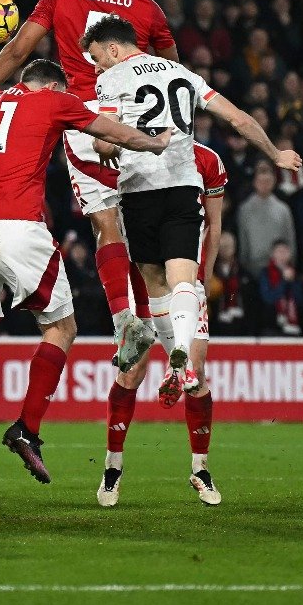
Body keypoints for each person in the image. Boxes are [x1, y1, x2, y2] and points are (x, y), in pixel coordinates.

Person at [0, 59, 169, 502]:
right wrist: (154, 143)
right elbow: (112, 131)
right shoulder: (51, 99)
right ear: (51, 84)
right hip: (18, 227)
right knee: (61, 327)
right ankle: (26, 428)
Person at [0, 0, 178, 366]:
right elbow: (172, 69)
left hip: (84, 117)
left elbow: (17, 51)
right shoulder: (148, 9)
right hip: (136, 117)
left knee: (105, 224)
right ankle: (166, 329)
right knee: (140, 223)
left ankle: (125, 324)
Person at [84, 14, 300, 389]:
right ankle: (184, 351)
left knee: (155, 283)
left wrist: (104, 145)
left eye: (98, 57)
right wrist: (275, 153)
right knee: (184, 279)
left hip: (140, 190)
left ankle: (175, 357)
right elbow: (238, 119)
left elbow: (103, 141)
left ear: (113, 48)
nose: (98, 66)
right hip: (184, 188)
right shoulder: (184, 74)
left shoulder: (111, 79)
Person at [96, 140, 229, 508]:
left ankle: (200, 470)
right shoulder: (126, 150)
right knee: (131, 375)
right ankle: (112, 468)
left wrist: (206, 278)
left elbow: (213, 226)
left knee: (196, 375)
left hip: (187, 284)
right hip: (141, 285)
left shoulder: (206, 158)